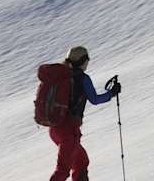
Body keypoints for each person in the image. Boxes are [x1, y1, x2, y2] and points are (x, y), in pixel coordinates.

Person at [39, 46, 119, 181]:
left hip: (55, 129)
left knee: (81, 162)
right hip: (69, 131)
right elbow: (95, 99)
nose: (88, 62)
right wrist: (111, 93)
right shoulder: (82, 78)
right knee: (63, 171)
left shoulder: (62, 76)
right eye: (87, 59)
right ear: (83, 61)